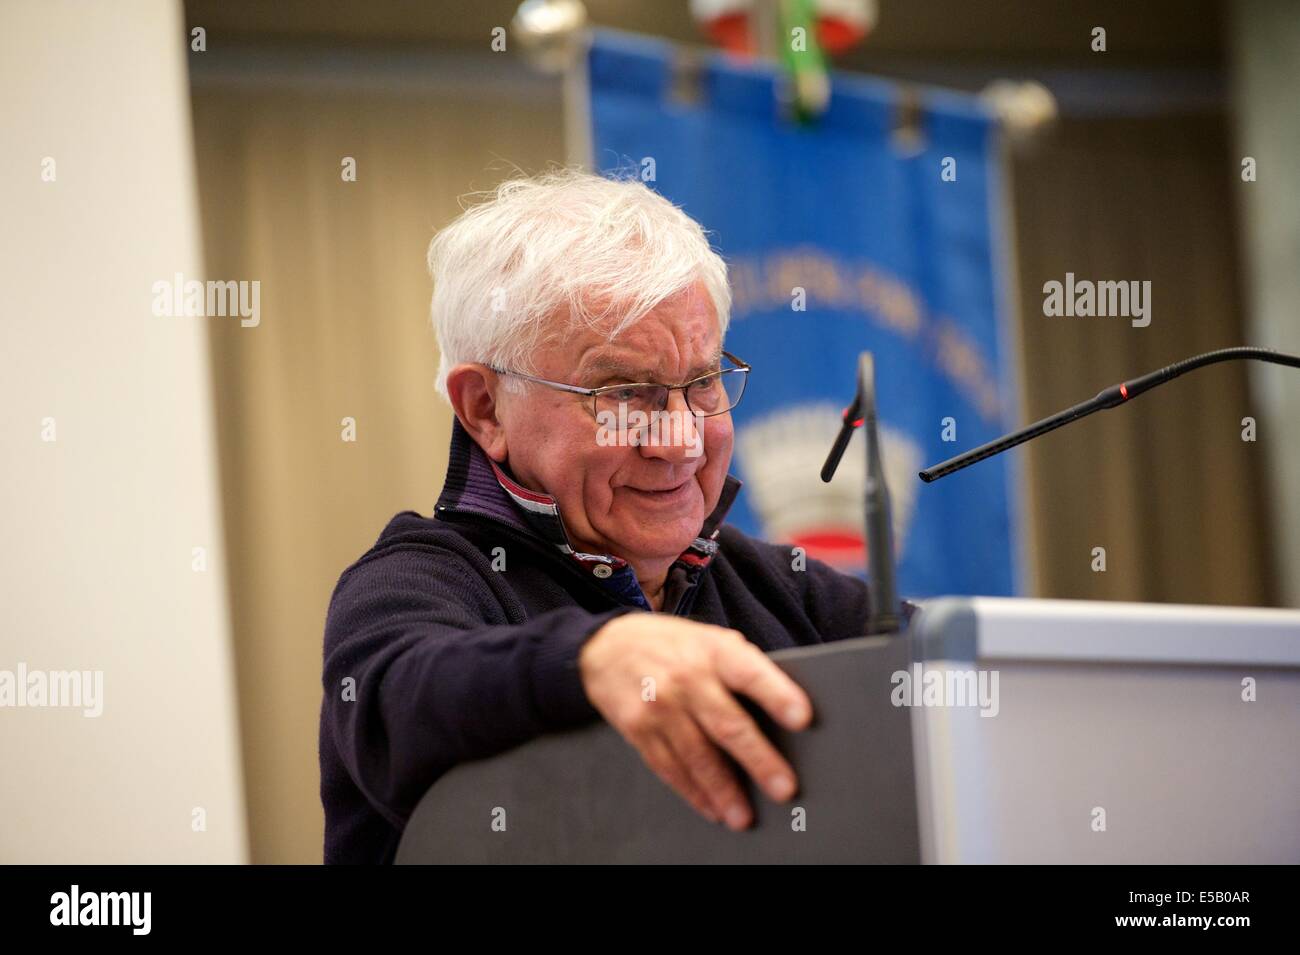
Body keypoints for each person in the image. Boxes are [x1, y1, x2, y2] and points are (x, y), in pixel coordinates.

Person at [319, 169, 875, 864]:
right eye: (624, 395)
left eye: (702, 383)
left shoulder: (783, 587)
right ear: (485, 408)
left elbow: (953, 676)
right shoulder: (418, 578)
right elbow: (395, 707)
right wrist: (592, 659)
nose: (681, 439)